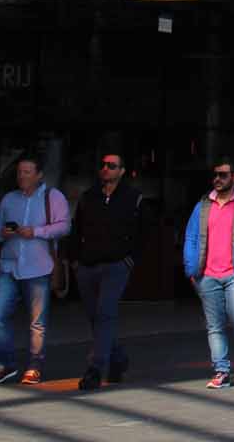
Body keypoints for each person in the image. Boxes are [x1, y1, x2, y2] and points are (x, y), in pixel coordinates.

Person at [182, 158, 234, 389]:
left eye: (223, 174)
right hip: (207, 275)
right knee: (215, 325)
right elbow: (190, 237)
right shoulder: (203, 206)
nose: (217, 179)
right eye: (215, 175)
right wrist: (191, 269)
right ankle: (220, 370)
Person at [0, 155, 71, 386]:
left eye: (26, 172)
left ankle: (35, 365)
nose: (21, 176)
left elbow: (64, 226)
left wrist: (36, 231)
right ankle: (6, 364)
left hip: (38, 267)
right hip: (9, 265)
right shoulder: (9, 199)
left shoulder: (52, 197)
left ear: (39, 175)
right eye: (19, 172)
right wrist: (1, 233)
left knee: (37, 321)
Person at [71, 150, 144, 391]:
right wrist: (75, 260)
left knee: (105, 314)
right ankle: (118, 358)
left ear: (122, 171)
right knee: (96, 316)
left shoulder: (133, 197)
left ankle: (95, 368)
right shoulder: (89, 197)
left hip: (116, 265)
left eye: (112, 165)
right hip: (88, 265)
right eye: (103, 164)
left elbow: (143, 233)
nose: (106, 169)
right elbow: (77, 228)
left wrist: (130, 260)